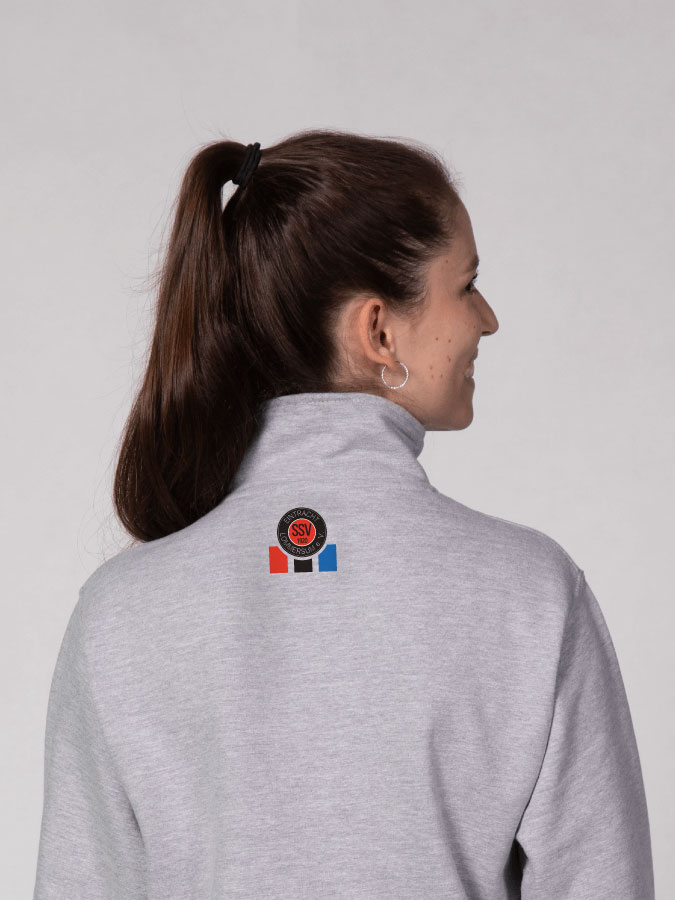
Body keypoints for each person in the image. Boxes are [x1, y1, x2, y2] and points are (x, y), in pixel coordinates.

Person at [33, 129, 655, 899]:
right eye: (466, 286)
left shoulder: (120, 613)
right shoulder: (528, 593)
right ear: (378, 331)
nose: (486, 319)